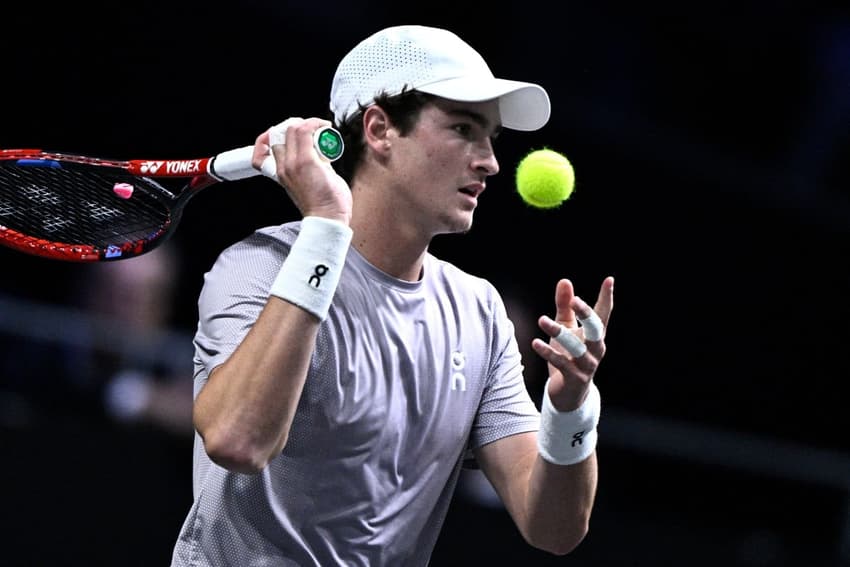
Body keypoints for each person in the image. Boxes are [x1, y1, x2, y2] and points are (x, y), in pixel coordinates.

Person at [170, 24, 614, 567]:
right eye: (461, 127)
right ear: (379, 130)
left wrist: (569, 410)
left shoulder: (480, 313)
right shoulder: (260, 266)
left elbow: (553, 529)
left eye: (490, 138)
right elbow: (238, 441)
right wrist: (326, 226)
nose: (489, 161)